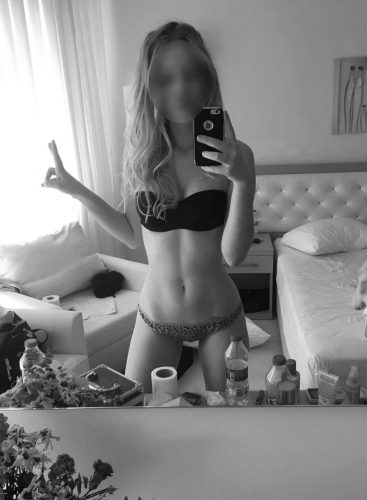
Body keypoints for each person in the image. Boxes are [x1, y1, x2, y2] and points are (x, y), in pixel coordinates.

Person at [42, 20, 255, 393]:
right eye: (165, 78)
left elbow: (233, 256)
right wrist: (77, 190)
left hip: (220, 315)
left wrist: (243, 181)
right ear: (149, 86)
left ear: (207, 78)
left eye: (191, 74)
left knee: (229, 414)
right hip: (157, 316)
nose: (180, 88)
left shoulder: (236, 156)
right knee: (138, 410)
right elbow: (129, 234)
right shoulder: (142, 155)